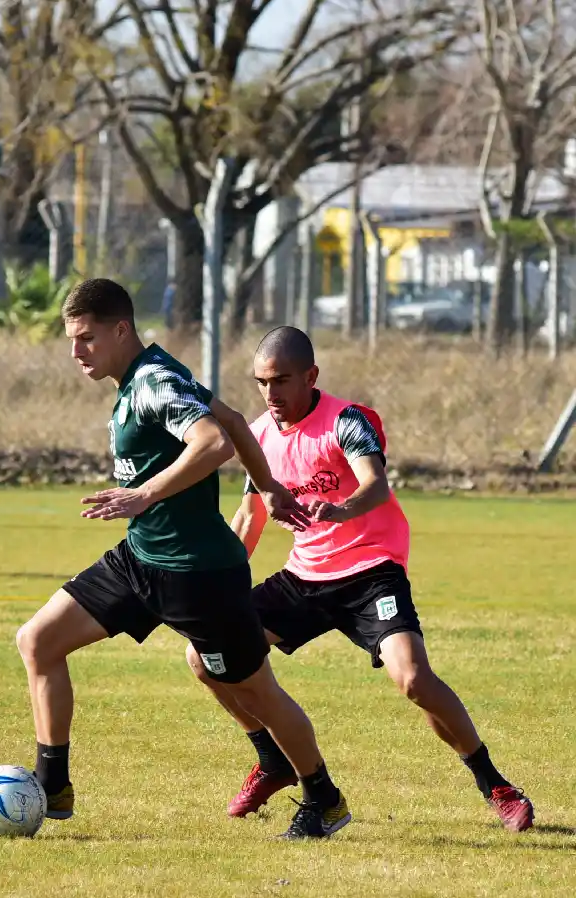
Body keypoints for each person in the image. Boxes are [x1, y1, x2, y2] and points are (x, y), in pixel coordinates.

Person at [16, 279, 352, 840]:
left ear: (121, 329)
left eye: (87, 339)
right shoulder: (152, 373)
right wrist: (267, 487)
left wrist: (145, 494)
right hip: (142, 559)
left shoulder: (153, 382)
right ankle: (53, 785)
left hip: (201, 577)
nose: (77, 352)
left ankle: (324, 796)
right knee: (38, 640)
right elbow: (242, 424)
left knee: (257, 691)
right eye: (72, 340)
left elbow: (215, 441)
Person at [187, 325, 534, 832]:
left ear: (311, 376)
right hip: (304, 578)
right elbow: (250, 518)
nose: (271, 393)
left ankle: (495, 784)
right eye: (262, 382)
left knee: (413, 679)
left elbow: (374, 485)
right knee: (205, 656)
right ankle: (272, 759)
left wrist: (340, 509)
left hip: (371, 570)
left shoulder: (346, 421)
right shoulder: (258, 436)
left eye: (282, 381)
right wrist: (217, 586)